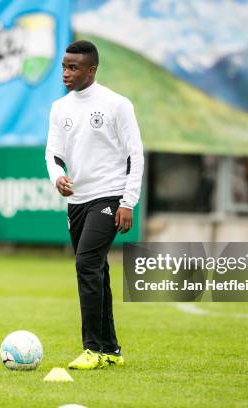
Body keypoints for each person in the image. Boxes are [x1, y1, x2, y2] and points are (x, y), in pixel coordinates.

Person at [45, 40, 144, 370]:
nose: (66, 72)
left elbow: (135, 155)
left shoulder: (117, 104)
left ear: (92, 70)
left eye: (73, 67)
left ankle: (91, 348)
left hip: (110, 195)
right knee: (97, 270)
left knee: (87, 263)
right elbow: (53, 154)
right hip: (77, 200)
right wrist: (57, 176)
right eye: (63, 66)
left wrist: (128, 201)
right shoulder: (60, 108)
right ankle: (110, 350)